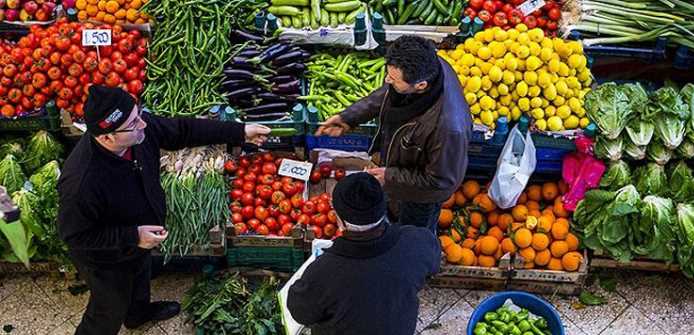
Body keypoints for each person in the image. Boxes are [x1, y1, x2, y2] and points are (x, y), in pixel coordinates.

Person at [57, 85, 270, 335]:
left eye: (139, 116)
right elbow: (75, 236)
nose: (143, 125)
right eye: (134, 124)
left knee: (140, 276)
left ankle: (138, 314)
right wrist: (132, 236)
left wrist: (240, 131)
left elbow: (183, 130)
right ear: (107, 138)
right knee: (108, 308)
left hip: (140, 239)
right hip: (105, 258)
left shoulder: (137, 132)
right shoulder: (81, 183)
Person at [316, 35, 471, 233]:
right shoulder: (429, 65)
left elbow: (441, 182)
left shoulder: (449, 129)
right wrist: (349, 117)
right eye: (388, 74)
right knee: (392, 212)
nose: (387, 80)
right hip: (401, 167)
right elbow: (388, 93)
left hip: (420, 196)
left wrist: (390, 176)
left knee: (412, 233)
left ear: (421, 85)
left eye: (394, 79)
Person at [287, 172, 441, 335]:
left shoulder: (323, 272)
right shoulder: (419, 241)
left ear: (339, 218)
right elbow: (433, 265)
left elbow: (300, 312)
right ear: (383, 207)